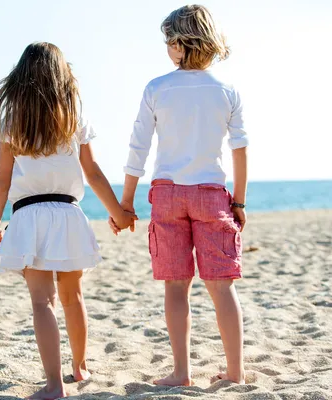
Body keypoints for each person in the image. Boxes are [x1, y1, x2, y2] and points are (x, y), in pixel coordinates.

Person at [0, 42, 137, 399]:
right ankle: (80, 367)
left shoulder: (13, 123)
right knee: (73, 297)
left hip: (28, 215)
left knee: (43, 302)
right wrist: (118, 212)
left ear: (21, 79)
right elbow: (93, 173)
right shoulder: (73, 118)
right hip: (68, 213)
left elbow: (2, 180)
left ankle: (54, 385)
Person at [111, 5, 248, 386]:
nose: (167, 48)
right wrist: (239, 200)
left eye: (169, 40)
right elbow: (240, 149)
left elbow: (137, 149)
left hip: (168, 195)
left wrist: (126, 202)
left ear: (179, 43)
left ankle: (181, 373)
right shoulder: (227, 90)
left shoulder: (157, 88)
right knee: (222, 286)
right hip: (211, 194)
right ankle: (234, 373)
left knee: (176, 285)